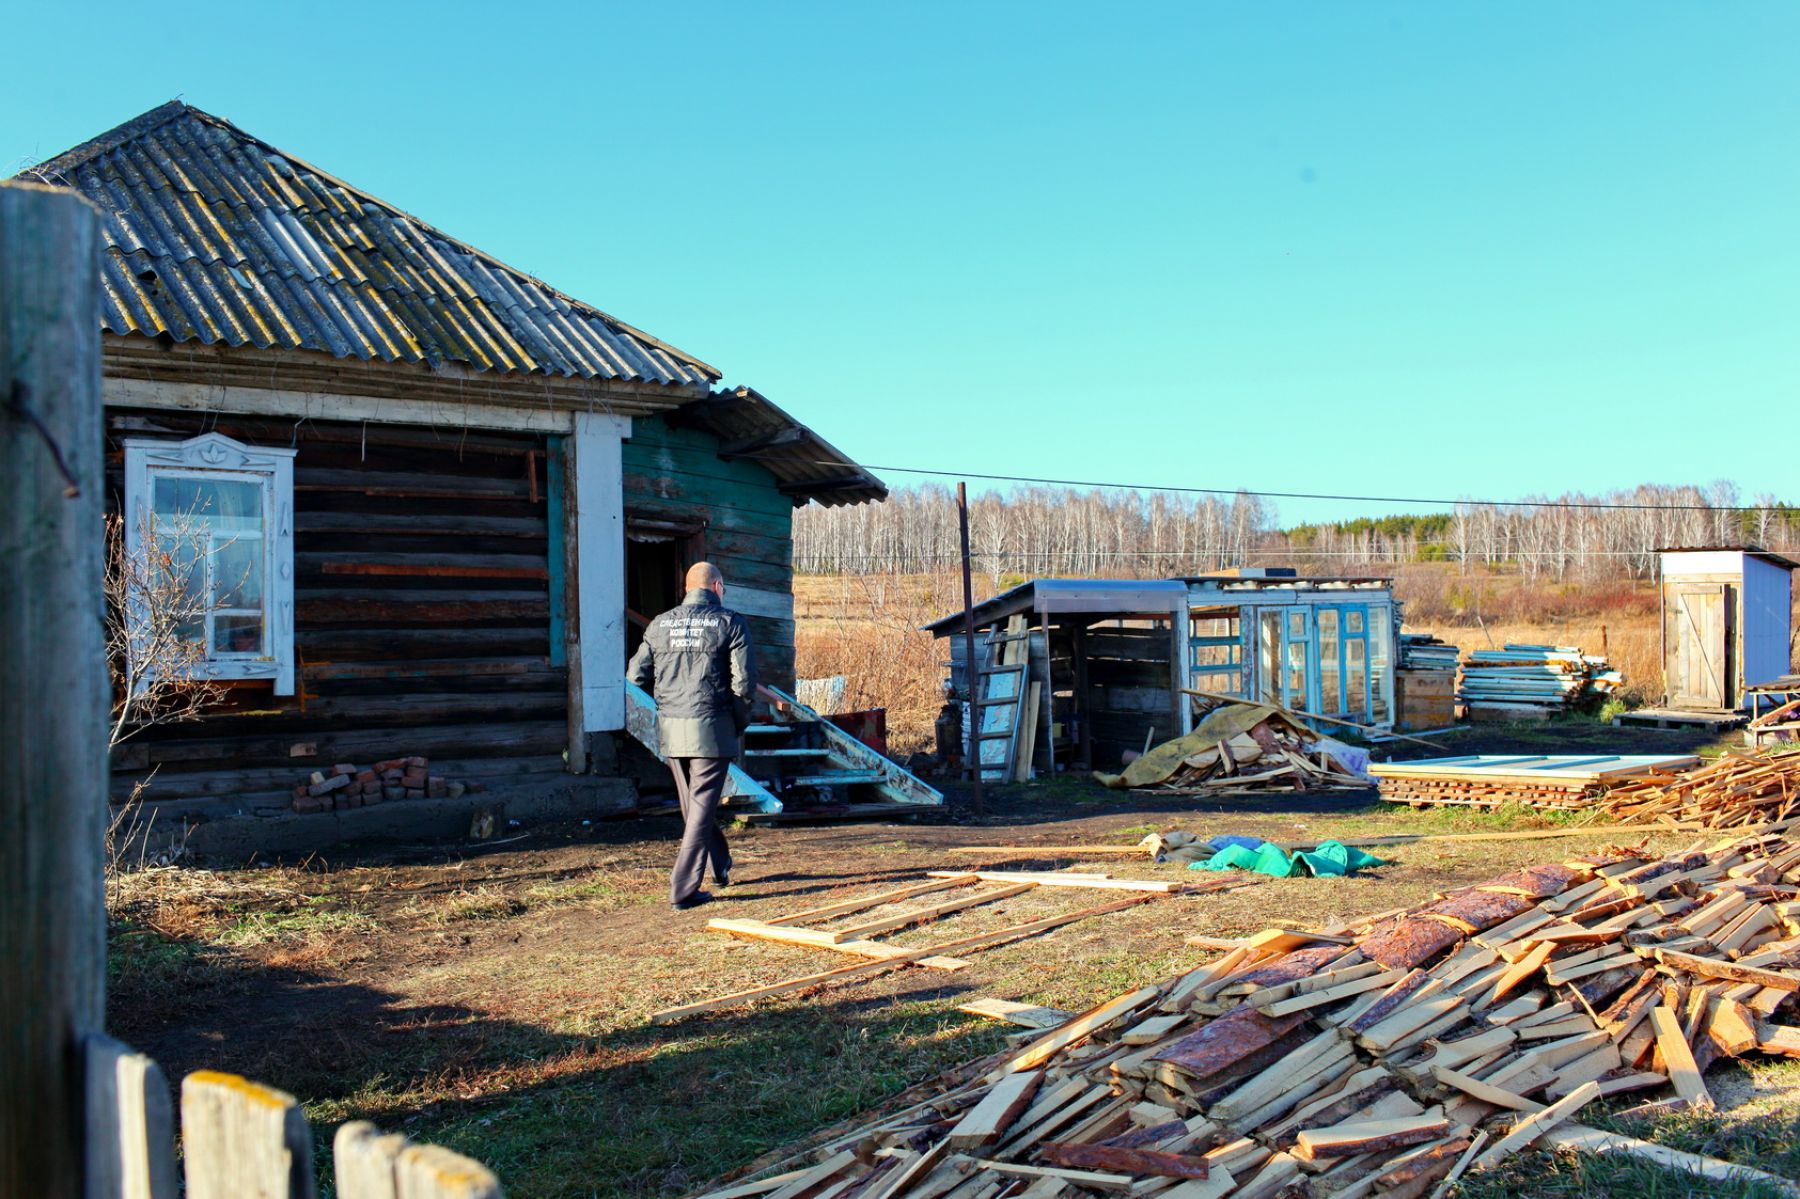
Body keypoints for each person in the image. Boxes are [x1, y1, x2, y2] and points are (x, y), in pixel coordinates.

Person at [626, 561, 756, 910]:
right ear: (716, 587)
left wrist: (662, 710)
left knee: (694, 806)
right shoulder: (730, 622)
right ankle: (682, 890)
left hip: (672, 727)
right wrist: (738, 723)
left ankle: (720, 864)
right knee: (699, 809)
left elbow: (635, 677)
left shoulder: (659, 624)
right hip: (712, 726)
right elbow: (744, 684)